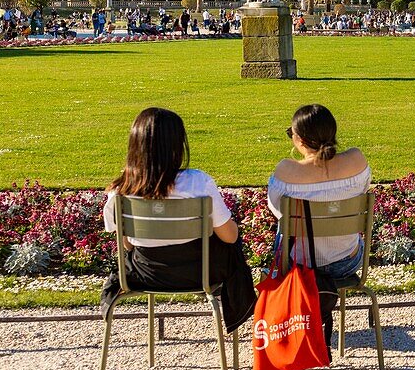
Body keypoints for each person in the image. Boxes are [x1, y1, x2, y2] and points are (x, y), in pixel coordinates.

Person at [100, 107, 256, 333]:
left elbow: (128, 244)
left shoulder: (120, 191)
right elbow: (230, 236)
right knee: (232, 246)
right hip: (200, 273)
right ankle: (237, 314)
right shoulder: (197, 182)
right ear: (177, 145)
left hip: (148, 275)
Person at [267, 104, 371, 281]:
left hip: (299, 265)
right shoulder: (356, 160)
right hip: (346, 261)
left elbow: (277, 211)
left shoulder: (286, 171)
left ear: (299, 139)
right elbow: (363, 189)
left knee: (286, 221)